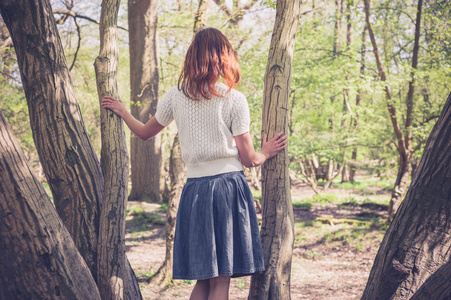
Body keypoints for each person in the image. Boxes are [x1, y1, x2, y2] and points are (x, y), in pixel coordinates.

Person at [102, 27, 287, 300]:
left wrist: (123, 112)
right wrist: (267, 152)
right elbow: (249, 159)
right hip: (227, 190)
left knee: (203, 279)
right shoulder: (234, 99)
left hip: (195, 191)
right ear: (224, 58)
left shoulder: (176, 96)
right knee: (220, 281)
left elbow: (143, 133)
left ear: (192, 57)